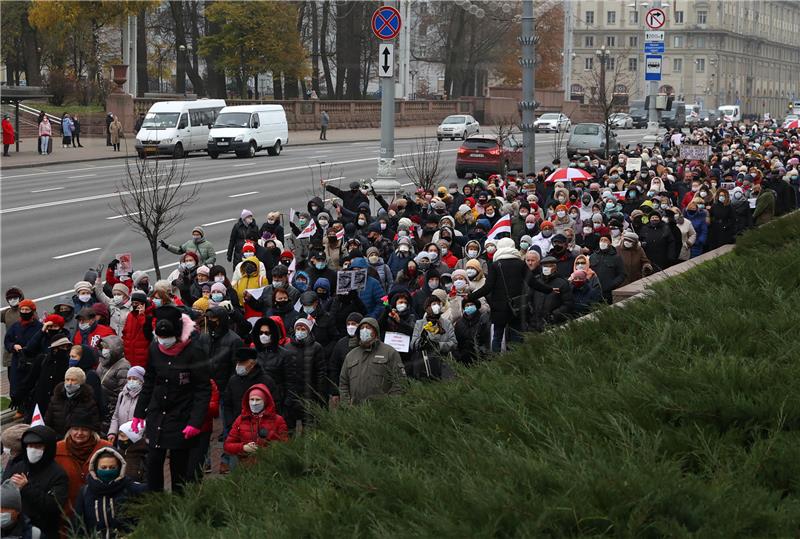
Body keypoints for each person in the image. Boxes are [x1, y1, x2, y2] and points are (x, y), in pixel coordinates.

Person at [131, 306, 211, 493]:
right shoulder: (154, 348)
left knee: (179, 467)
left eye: (166, 339)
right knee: (154, 462)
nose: (163, 342)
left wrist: (195, 422)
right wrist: (139, 413)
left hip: (182, 415)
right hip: (157, 414)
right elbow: (149, 381)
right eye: (160, 338)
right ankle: (155, 502)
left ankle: (178, 504)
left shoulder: (193, 351)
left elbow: (202, 388)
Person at [1, 425, 68, 539]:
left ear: (47, 448)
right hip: (17, 530)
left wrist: (27, 487)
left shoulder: (58, 474)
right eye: (30, 446)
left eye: (38, 446)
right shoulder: (18, 467)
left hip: (44, 530)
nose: (32, 450)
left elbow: (54, 506)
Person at [467, 238, 533, 352]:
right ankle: (517, 358)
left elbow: (487, 288)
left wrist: (470, 297)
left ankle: (497, 361)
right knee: (517, 335)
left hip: (499, 308)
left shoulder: (495, 265)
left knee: (497, 336)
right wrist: (549, 289)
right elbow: (532, 282)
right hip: (516, 307)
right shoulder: (520, 264)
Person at [72, 447, 147, 537]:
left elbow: (144, 517)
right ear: (95, 468)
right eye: (103, 467)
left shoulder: (130, 487)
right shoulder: (85, 492)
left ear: (120, 468)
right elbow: (78, 524)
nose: (107, 470)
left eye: (112, 467)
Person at [53, 415, 111, 519]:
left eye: (84, 430)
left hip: (98, 509)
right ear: (69, 430)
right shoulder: (57, 449)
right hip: (66, 510)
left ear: (91, 431)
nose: (79, 433)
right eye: (75, 429)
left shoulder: (105, 448)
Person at [339, 318, 405, 404]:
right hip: (356, 411)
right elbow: (343, 383)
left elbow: (399, 381)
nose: (364, 330)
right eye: (362, 328)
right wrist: (346, 404)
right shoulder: (351, 356)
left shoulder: (389, 352)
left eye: (368, 328)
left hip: (382, 411)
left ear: (376, 331)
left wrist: (391, 404)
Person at [223, 384, 288, 462]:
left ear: (265, 401)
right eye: (252, 399)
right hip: (246, 467)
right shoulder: (240, 420)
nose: (254, 403)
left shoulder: (278, 420)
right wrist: (243, 447)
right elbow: (228, 446)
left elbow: (285, 446)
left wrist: (268, 441)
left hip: (270, 465)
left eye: (258, 400)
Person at [283, 318, 326, 431]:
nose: (300, 331)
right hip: (292, 396)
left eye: (303, 329)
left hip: (309, 396)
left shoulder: (316, 347)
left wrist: (320, 394)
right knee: (290, 429)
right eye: (298, 328)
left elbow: (321, 372)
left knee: (309, 429)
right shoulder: (287, 348)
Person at [5, 299, 43, 416]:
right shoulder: (15, 327)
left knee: (32, 384)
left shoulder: (39, 327)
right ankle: (20, 407)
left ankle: (31, 408)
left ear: (32, 311)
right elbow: (7, 341)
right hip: (18, 361)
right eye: (22, 309)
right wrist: (13, 346)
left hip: (33, 360)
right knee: (17, 385)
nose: (24, 312)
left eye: (27, 310)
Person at [45, 367, 101, 438]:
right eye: (67, 379)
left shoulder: (88, 402)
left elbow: (95, 426)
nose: (69, 383)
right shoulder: (56, 399)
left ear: (81, 382)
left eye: (73, 380)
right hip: (57, 440)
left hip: (78, 441)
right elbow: (48, 422)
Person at [96, 336, 131, 432]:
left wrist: (112, 412)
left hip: (112, 410)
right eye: (103, 348)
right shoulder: (102, 362)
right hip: (100, 406)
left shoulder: (123, 366)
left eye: (107, 348)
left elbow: (122, 393)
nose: (104, 350)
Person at [107, 367, 145, 445]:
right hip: (122, 438)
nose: (131, 381)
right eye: (129, 378)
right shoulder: (122, 395)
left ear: (142, 380)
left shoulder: (146, 397)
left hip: (139, 440)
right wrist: (112, 432)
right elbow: (116, 417)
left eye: (135, 378)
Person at [589, 234, 627, 303]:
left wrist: (612, 284)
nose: (603, 242)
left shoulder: (616, 257)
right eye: (601, 240)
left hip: (608, 293)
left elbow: (622, 274)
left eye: (605, 240)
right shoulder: (593, 256)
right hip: (594, 292)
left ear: (610, 242)